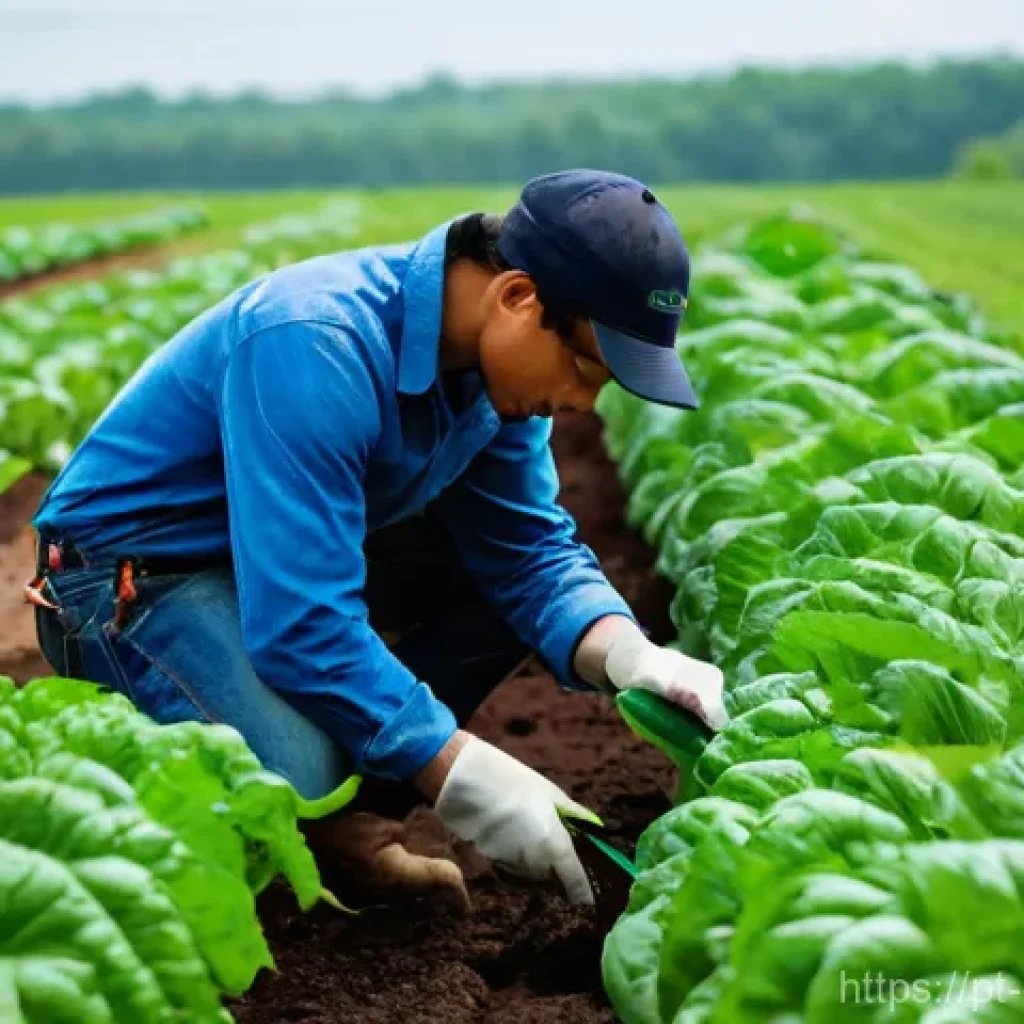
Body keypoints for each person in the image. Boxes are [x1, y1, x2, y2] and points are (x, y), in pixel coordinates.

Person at [28, 169, 727, 909]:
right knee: (298, 773)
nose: (584, 402)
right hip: (126, 576)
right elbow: (301, 624)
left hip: (267, 556)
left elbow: (529, 554)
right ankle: (196, 800)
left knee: (495, 590)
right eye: (586, 367)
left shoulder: (498, 386)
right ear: (517, 298)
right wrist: (463, 774)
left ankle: (348, 830)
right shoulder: (316, 339)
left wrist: (630, 653)